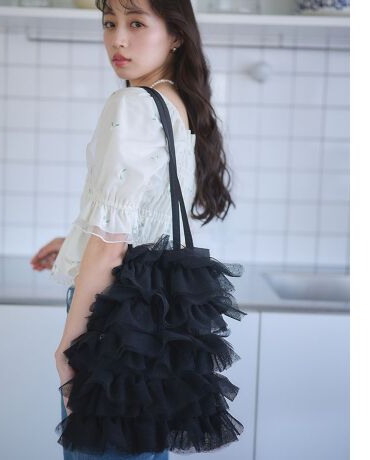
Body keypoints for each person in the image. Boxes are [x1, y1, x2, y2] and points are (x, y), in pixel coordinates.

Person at [30, 0, 237, 458]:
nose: (117, 40)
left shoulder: (132, 104)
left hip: (109, 318)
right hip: (150, 317)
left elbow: (111, 245)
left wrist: (68, 347)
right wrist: (74, 244)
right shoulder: (176, 103)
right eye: (109, 23)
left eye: (136, 23)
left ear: (176, 35)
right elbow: (147, 219)